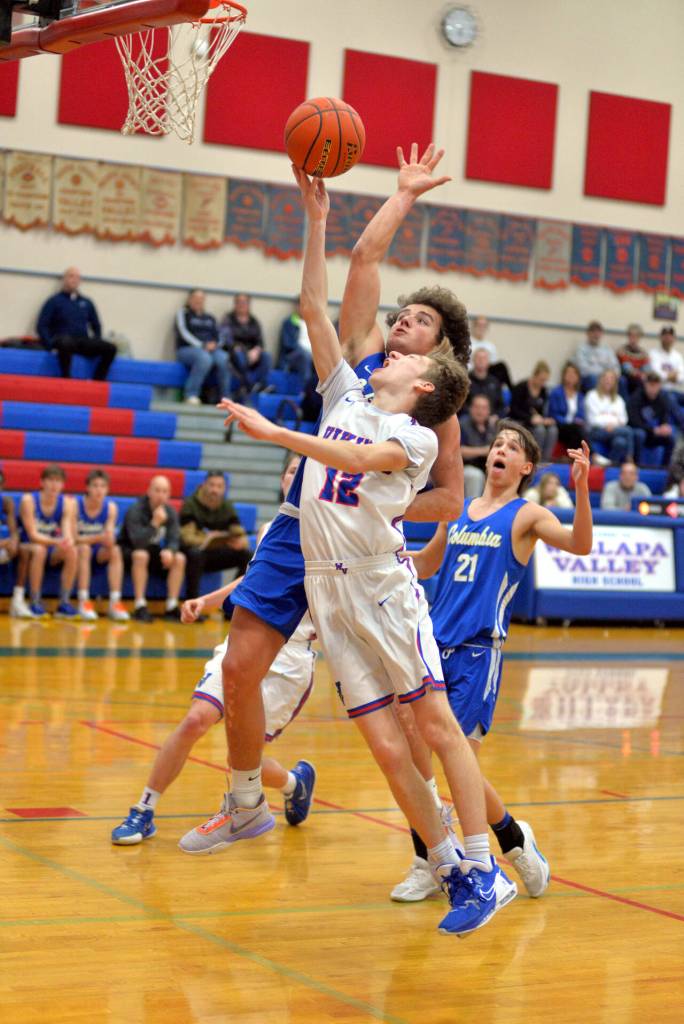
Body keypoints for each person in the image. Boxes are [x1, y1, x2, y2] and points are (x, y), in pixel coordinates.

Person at [180, 161, 518, 939]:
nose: (392, 341)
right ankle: (447, 865)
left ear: (430, 379)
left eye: (411, 341)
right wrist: (316, 218)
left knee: (430, 728)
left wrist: (277, 436)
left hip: (377, 581)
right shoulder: (351, 394)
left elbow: (366, 466)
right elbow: (313, 305)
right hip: (328, 585)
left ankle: (485, 862)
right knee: (384, 746)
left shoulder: (411, 430)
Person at [391, 425, 591, 904]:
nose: (501, 449)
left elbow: (580, 545)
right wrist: (383, 555)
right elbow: (428, 564)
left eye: (513, 447)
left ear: (525, 468)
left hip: (479, 653)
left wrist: (581, 488)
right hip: (433, 646)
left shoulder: (527, 515)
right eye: (498, 443)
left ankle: (515, 844)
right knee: (419, 761)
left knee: (460, 769)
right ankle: (431, 859)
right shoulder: (456, 510)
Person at [112, 454, 318, 845]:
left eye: (302, 470)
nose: (296, 475)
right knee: (195, 720)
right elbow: (252, 578)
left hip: (290, 656)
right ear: (282, 480)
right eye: (291, 469)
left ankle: (293, 783)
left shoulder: (332, 529)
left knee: (244, 759)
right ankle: (143, 809)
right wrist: (206, 600)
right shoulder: (273, 527)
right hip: (246, 640)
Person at [12, 464, 78, 619]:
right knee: (40, 549)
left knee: (72, 551)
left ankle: (64, 603)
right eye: (50, 480)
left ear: (63, 485)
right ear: (42, 482)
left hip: (50, 545)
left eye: (58, 481)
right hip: (28, 546)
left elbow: (67, 529)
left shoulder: (68, 503)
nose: (54, 485)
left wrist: (67, 541)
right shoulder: (29, 500)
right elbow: (33, 535)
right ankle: (35, 601)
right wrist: (57, 542)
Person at [118, 476, 186, 622]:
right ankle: (139, 605)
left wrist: (170, 550)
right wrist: (154, 523)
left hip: (153, 552)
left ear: (169, 495)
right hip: (129, 553)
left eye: (165, 491)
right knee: (141, 555)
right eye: (157, 490)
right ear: (149, 491)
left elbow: (175, 538)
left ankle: (171, 606)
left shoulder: (170, 512)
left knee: (179, 558)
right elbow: (137, 542)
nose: (161, 495)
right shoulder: (136, 510)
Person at [179, 471, 252, 601]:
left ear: (224, 489)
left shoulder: (227, 506)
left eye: (219, 486)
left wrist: (240, 543)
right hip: (194, 554)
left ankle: (234, 602)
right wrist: (207, 538)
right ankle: (192, 601)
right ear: (204, 486)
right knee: (196, 555)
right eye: (212, 485)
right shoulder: (191, 505)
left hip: (215, 554)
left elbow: (240, 533)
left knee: (247, 555)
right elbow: (187, 538)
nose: (215, 490)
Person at [36, 267, 117, 381]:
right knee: (65, 342)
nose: (74, 280)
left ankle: (98, 380)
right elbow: (42, 325)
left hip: (81, 341)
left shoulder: (87, 302)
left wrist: (96, 340)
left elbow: (96, 325)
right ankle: (66, 377)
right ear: (64, 279)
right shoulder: (54, 301)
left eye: (77, 277)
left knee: (111, 348)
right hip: (62, 340)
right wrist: (49, 346)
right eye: (71, 276)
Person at [74, 469, 129, 622]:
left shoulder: (111, 508)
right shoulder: (76, 505)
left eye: (102, 486)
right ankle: (83, 600)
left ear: (107, 489)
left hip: (97, 553)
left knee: (116, 550)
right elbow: (73, 538)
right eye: (95, 486)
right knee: (84, 549)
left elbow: (109, 536)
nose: (99, 490)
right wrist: (98, 537)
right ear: (87, 488)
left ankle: (115, 602)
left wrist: (109, 539)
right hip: (77, 551)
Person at [175, 289, 232, 406]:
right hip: (187, 349)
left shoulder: (209, 317)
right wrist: (202, 345)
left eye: (201, 299)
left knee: (224, 358)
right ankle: (191, 394)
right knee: (204, 358)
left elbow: (219, 335)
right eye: (196, 298)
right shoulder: (183, 314)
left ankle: (225, 397)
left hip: (211, 349)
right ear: (189, 299)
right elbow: (183, 333)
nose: (198, 301)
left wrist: (215, 345)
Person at [221, 293, 273, 396]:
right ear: (235, 304)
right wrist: (236, 347)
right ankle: (249, 385)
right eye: (239, 302)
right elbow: (226, 339)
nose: (242, 305)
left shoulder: (254, 321)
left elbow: (260, 342)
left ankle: (262, 385)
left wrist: (256, 350)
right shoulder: (228, 319)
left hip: (251, 352)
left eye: (244, 302)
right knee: (240, 355)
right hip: (234, 352)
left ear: (249, 304)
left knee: (266, 356)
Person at [509, 361, 558, 461]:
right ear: (535, 375)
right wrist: (530, 418)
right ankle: (535, 459)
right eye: (541, 379)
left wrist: (545, 420)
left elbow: (541, 412)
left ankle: (545, 460)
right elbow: (514, 410)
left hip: (536, 421)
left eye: (545, 380)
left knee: (553, 430)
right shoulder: (521, 387)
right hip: (520, 420)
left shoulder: (543, 391)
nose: (542, 383)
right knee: (539, 430)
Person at [585, 370, 634, 465]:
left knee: (620, 442)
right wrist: (610, 421)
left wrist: (612, 425)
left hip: (615, 431)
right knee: (628, 431)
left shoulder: (619, 399)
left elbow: (624, 419)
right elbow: (593, 420)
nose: (608, 381)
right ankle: (629, 458)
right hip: (597, 431)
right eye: (606, 378)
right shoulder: (592, 395)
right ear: (601, 380)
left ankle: (611, 465)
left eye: (611, 379)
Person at [627, 372, 676, 466]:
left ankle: (664, 467)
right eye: (651, 385)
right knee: (640, 434)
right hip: (638, 430)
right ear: (645, 384)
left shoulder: (662, 399)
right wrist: (653, 430)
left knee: (670, 438)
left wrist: (664, 426)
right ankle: (636, 465)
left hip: (653, 432)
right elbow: (634, 421)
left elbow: (664, 417)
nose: (653, 389)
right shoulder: (636, 398)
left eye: (656, 386)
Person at [460, 394, 497, 498]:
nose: (480, 411)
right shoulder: (462, 424)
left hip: (486, 467)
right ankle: (471, 510)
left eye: (484, 408)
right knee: (475, 476)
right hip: (465, 467)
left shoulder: (492, 427)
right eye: (477, 407)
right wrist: (484, 451)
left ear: (489, 411)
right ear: (471, 409)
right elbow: (459, 451)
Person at [547, 361, 588, 453]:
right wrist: (569, 422)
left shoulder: (580, 395)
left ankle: (576, 456)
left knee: (580, 429)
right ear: (563, 375)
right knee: (576, 430)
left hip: (574, 427)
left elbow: (581, 414)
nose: (571, 376)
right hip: (560, 425)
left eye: (574, 374)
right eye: (568, 373)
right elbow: (553, 413)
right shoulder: (556, 392)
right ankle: (589, 455)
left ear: (578, 377)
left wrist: (578, 420)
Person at [277, 296, 314, 383]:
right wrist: (308, 353)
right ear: (297, 306)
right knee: (305, 356)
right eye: (302, 305)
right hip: (293, 356)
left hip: (312, 356)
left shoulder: (313, 323)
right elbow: (289, 345)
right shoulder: (289, 322)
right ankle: (305, 389)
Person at [574, 320, 619, 391]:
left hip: (607, 378)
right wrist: (603, 376)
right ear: (587, 333)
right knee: (592, 379)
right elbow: (583, 370)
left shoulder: (607, 349)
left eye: (598, 332)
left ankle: (620, 402)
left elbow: (615, 366)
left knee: (622, 381)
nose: (596, 335)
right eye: (593, 332)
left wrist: (613, 375)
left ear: (601, 334)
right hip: (589, 379)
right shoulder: (581, 349)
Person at [468, 315, 512, 387]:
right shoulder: (467, 343)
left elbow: (493, 364)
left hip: (487, 372)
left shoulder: (491, 346)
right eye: (479, 325)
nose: (481, 328)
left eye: (483, 326)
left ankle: (509, 390)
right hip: (472, 372)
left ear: (486, 328)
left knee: (501, 366)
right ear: (474, 326)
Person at [468, 347, 505, 418]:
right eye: (478, 358)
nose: (481, 360)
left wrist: (496, 416)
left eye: (484, 358)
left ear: (488, 362)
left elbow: (501, 405)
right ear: (473, 360)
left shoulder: (495, 382)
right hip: (470, 418)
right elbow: (461, 405)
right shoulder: (465, 381)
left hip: (491, 418)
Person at [617, 324, 649, 395]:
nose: (633, 339)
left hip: (639, 379)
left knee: (647, 382)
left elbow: (647, 369)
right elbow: (627, 369)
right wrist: (639, 374)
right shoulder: (622, 350)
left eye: (636, 336)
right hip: (626, 378)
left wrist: (644, 375)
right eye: (631, 336)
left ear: (640, 338)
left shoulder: (644, 353)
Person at [0, 469, 19, 570]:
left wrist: (14, 541)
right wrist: (4, 543)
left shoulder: (6, 502)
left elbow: (14, 531)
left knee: (18, 549)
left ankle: (19, 586)